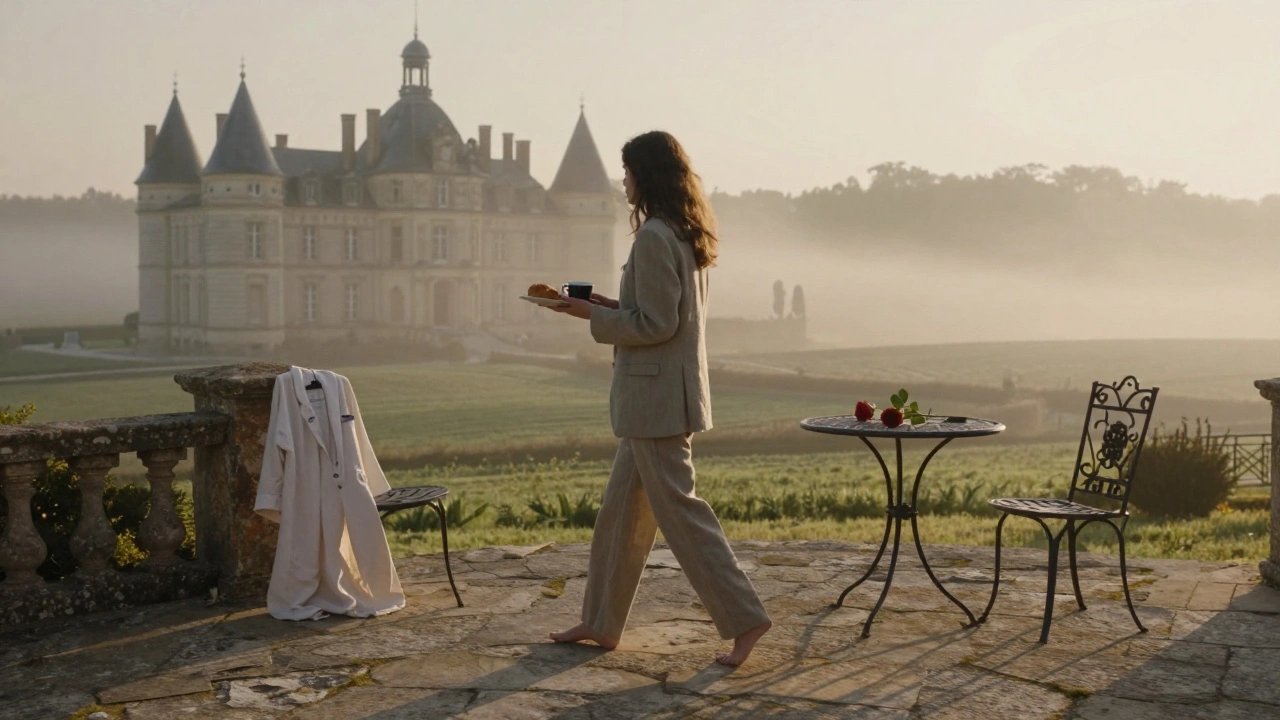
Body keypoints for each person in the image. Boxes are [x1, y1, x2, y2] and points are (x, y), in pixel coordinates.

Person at [545, 131, 771, 666]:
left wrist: (585, 315)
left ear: (644, 175)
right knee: (619, 516)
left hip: (656, 403)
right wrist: (604, 302)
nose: (622, 180)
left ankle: (746, 619)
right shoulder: (682, 231)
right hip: (667, 397)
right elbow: (655, 311)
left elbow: (656, 324)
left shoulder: (651, 235)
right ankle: (601, 623)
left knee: (684, 516)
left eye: (626, 172)